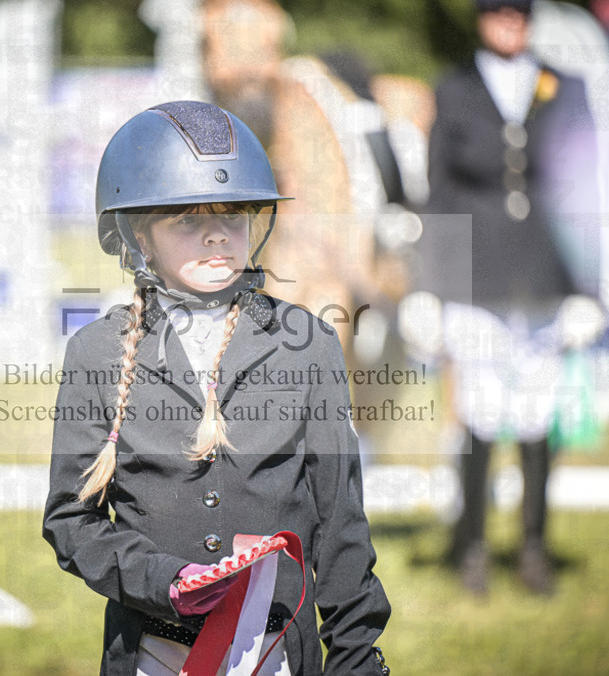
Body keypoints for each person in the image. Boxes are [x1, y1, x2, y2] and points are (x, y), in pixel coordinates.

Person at [43, 101, 390, 675]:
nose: (215, 238)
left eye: (232, 216)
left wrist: (356, 654)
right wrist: (164, 581)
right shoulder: (96, 353)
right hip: (151, 655)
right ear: (138, 235)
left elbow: (340, 522)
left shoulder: (309, 343)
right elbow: (69, 522)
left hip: (278, 655)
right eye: (186, 220)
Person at [413, 0, 601, 595]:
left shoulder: (563, 85)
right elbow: (438, 191)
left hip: (545, 271)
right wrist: (429, 289)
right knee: (481, 412)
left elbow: (583, 189)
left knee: (537, 415)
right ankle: (469, 545)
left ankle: (534, 546)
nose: (509, 21)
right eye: (498, 11)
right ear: (483, 18)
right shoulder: (453, 87)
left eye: (518, 12)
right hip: (476, 274)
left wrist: (587, 288)